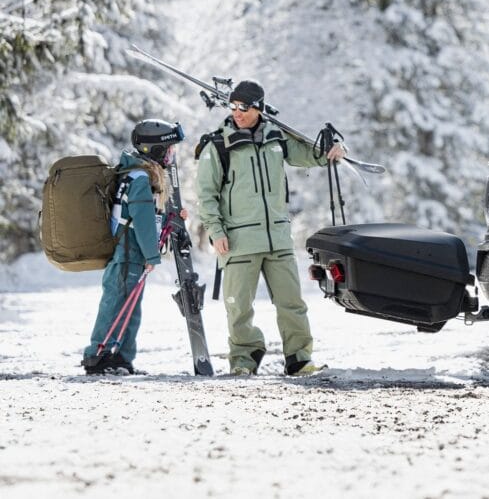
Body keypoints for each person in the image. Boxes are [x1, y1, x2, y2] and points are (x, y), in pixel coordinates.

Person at [195, 80, 345, 376]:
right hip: (239, 240)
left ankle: (299, 358)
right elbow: (206, 195)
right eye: (233, 107)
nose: (237, 112)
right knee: (239, 307)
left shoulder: (277, 138)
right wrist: (216, 231)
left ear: (259, 108)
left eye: (244, 107)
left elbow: (310, 155)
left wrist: (331, 149)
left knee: (292, 303)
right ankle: (244, 358)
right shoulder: (217, 145)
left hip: (277, 237)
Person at [82, 119, 185, 375]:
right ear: (155, 150)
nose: (171, 155)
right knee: (115, 302)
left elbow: (148, 218)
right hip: (126, 254)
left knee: (131, 307)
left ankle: (122, 357)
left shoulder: (138, 174)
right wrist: (152, 254)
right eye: (168, 150)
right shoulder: (139, 177)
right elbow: (142, 221)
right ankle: (97, 354)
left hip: (132, 254)